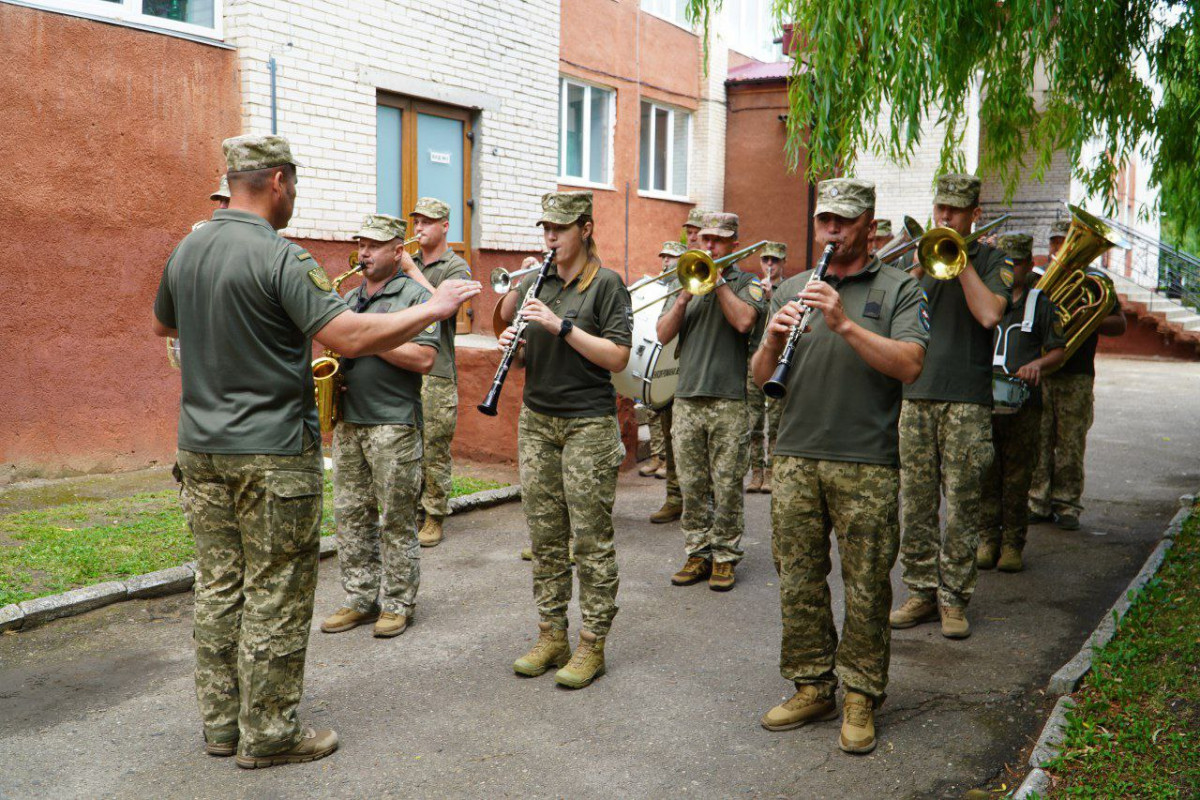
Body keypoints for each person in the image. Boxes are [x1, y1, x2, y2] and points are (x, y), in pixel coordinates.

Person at [153, 134, 480, 768]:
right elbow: (347, 334)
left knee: (219, 586)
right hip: (271, 453)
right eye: (295, 185)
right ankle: (270, 734)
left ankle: (222, 726)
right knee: (276, 589)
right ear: (277, 181)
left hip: (199, 449)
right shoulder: (282, 256)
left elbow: (164, 324)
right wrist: (435, 306)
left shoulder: (187, 248)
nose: (294, 196)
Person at [752, 177, 927, 755]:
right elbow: (758, 377)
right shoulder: (794, 288)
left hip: (867, 461)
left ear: (869, 226)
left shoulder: (900, 288)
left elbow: (910, 366)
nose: (831, 229)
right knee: (798, 579)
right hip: (797, 455)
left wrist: (846, 324)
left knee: (868, 585)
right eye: (825, 219)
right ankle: (812, 685)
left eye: (844, 221)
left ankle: (860, 694)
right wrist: (774, 341)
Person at [498, 191, 632, 689]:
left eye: (560, 229)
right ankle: (552, 633)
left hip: (586, 424)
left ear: (585, 228)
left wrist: (561, 326)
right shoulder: (539, 280)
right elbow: (527, 346)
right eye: (545, 229)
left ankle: (592, 643)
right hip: (537, 420)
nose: (550, 237)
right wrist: (513, 344)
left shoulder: (607, 285)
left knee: (591, 539)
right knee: (546, 537)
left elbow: (617, 358)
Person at [890, 173, 1012, 640]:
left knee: (962, 504)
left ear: (974, 215)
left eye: (955, 211)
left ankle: (954, 599)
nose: (944, 217)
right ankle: (920, 592)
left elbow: (989, 315)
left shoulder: (992, 259)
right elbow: (893, 304)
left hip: (966, 400)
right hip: (916, 396)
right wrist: (924, 261)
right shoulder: (919, 257)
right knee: (915, 503)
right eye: (940, 209)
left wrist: (959, 262)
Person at [319, 215, 439, 638]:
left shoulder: (418, 296)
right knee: (350, 516)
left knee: (396, 518)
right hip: (350, 421)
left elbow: (425, 358)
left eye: (374, 245)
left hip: (394, 423)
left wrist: (366, 339)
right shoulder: (350, 297)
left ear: (397, 251)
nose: (364, 252)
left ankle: (398, 601)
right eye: (361, 244)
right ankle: (359, 598)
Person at [657, 212, 766, 591]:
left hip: (729, 400)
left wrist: (717, 283)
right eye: (704, 239)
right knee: (692, 483)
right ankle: (697, 551)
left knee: (727, 484)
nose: (709, 247)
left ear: (734, 244)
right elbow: (662, 334)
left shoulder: (747, 283)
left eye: (718, 240)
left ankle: (724, 556)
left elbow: (744, 323)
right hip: (687, 399)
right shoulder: (682, 279)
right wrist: (684, 297)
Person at [1028, 219, 1126, 530]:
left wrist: (1090, 316)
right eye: (1058, 241)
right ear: (1050, 246)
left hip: (1077, 374)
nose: (1062, 248)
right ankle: (1036, 501)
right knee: (1038, 440)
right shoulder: (1036, 281)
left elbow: (1120, 324)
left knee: (1070, 442)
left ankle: (1067, 504)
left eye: (1068, 241)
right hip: (1040, 372)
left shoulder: (1096, 282)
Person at [977, 233, 1066, 573]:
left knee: (1017, 476)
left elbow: (1058, 349)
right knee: (986, 473)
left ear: (1030, 265)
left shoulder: (1040, 302)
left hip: (1024, 406)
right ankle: (987, 539)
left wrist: (1037, 366)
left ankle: (1013, 543)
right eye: (1006, 263)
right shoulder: (986, 298)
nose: (1011, 269)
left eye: (1017, 263)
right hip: (985, 400)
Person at [398, 197, 473, 548]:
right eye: (416, 222)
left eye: (427, 222)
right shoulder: (408, 261)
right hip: (405, 362)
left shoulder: (456, 267)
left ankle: (434, 515)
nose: (419, 228)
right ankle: (411, 510)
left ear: (445, 225)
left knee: (434, 448)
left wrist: (412, 274)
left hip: (438, 370)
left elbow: (446, 312)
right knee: (407, 444)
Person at [649, 212, 709, 523]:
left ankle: (702, 504)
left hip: (710, 371)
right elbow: (663, 323)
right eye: (690, 231)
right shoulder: (676, 276)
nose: (694, 236)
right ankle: (675, 497)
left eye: (698, 230)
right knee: (673, 437)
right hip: (678, 368)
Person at [745, 241, 786, 494]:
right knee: (754, 421)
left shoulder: (790, 289)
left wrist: (772, 298)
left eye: (775, 260)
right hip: (753, 360)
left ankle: (772, 470)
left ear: (784, 263)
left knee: (776, 421)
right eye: (766, 260)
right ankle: (756, 471)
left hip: (778, 363)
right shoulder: (753, 288)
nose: (770, 265)